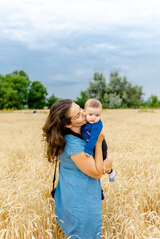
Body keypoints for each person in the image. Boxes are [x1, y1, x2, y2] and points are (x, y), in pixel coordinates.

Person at [42, 99, 113, 239]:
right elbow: (97, 173)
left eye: (80, 108)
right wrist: (98, 143)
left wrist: (108, 157)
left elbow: (101, 156)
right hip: (81, 204)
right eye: (78, 115)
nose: (83, 112)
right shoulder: (73, 144)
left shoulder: (81, 133)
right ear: (68, 124)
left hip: (76, 196)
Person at [81, 98, 116, 183]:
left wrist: (88, 149)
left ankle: (110, 172)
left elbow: (93, 139)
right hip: (90, 141)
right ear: (84, 112)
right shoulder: (84, 121)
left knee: (102, 159)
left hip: (98, 143)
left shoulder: (97, 124)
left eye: (97, 115)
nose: (93, 118)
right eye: (90, 114)